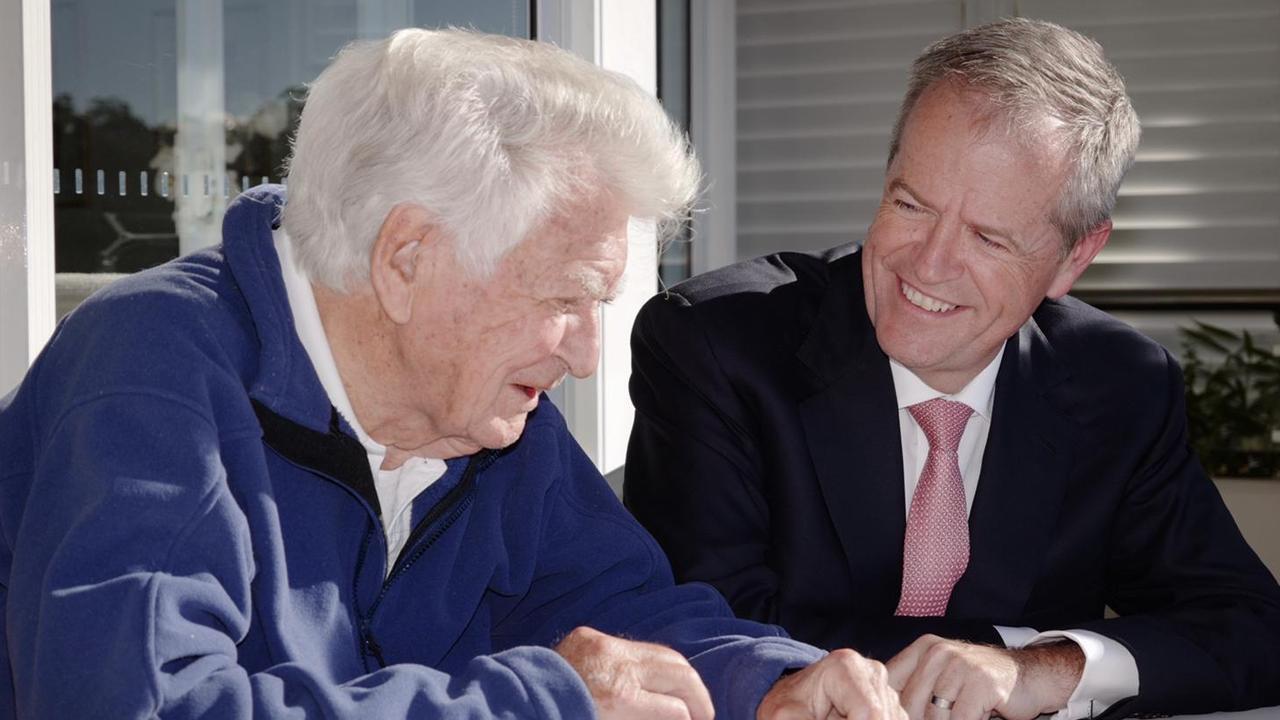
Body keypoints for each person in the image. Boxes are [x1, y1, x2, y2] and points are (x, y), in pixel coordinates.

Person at [0, 29, 908, 720]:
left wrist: (772, 682)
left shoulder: (478, 411)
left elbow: (622, 608)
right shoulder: (150, 374)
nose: (588, 353)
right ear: (406, 258)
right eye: (567, 297)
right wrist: (543, 702)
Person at [624, 17, 1280, 720]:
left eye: (988, 238)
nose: (928, 265)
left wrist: (1047, 669)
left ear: (1074, 259)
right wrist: (1001, 654)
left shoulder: (1118, 383)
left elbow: (1251, 629)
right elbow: (712, 634)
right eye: (911, 204)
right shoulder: (717, 348)